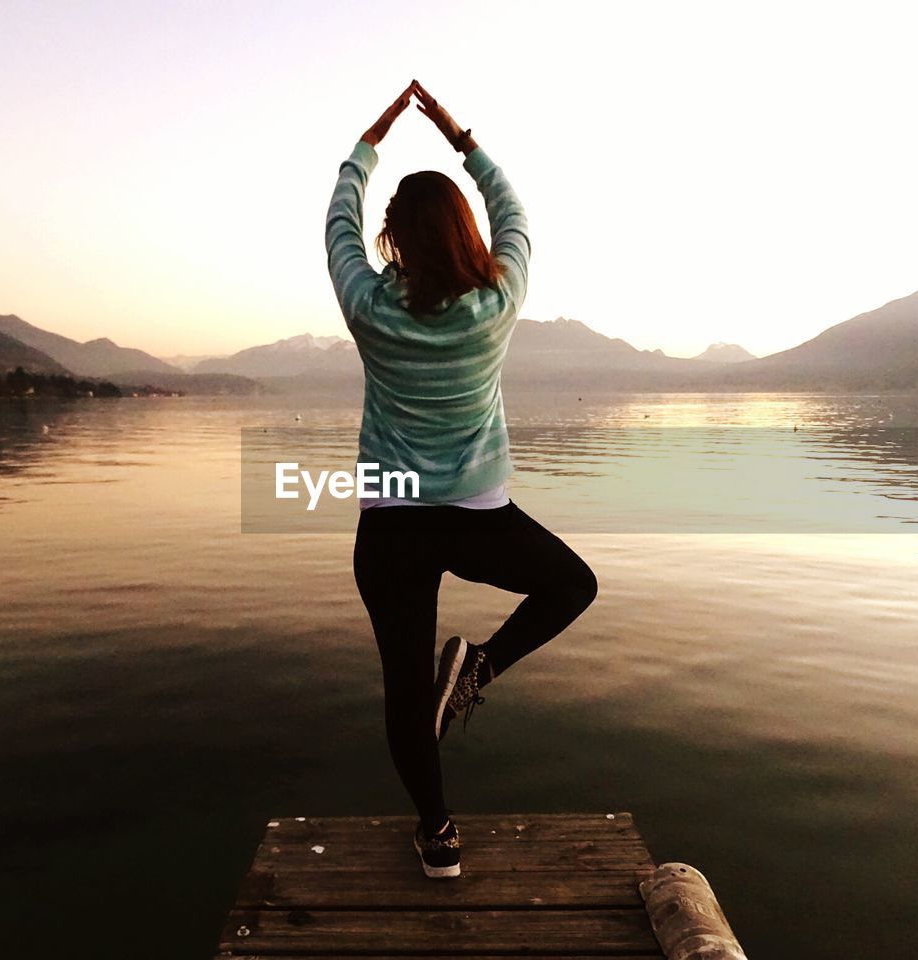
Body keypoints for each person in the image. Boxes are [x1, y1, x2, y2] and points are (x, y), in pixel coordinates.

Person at [324, 79, 598, 879]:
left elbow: (337, 223)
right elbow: (514, 214)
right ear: (464, 233)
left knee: (406, 690)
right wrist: (460, 137)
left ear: (394, 240)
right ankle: (478, 668)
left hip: (392, 524)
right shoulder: (498, 301)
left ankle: (438, 833)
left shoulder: (369, 309)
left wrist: (367, 146)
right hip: (480, 513)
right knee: (571, 586)